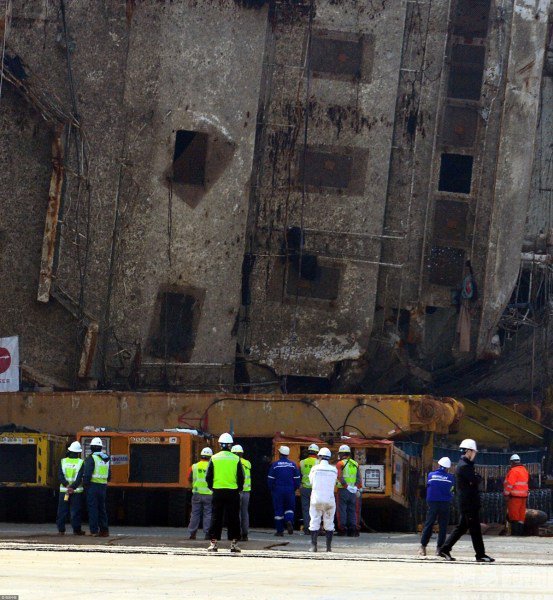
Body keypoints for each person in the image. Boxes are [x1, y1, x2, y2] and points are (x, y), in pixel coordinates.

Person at [438, 439, 495, 562]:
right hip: (468, 504)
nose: (475, 454)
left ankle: (445, 549)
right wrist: (476, 478)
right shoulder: (464, 466)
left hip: (469, 503)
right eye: (474, 451)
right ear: (469, 451)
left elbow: (474, 479)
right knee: (475, 529)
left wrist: (475, 478)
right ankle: (480, 554)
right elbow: (476, 480)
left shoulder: (466, 465)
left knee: (462, 528)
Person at [206, 433, 244, 553]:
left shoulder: (214, 458)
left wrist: (212, 487)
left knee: (216, 517)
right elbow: (241, 477)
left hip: (217, 491)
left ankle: (213, 544)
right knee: (233, 518)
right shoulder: (236, 459)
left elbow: (208, 476)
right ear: (230, 445)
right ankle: (234, 544)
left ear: (220, 445)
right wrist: (239, 488)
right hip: (232, 492)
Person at [418, 457, 454, 556]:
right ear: (448, 468)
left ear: (439, 465)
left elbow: (429, 487)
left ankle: (423, 547)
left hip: (432, 503)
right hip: (445, 503)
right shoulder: (451, 478)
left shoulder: (431, 475)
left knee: (429, 524)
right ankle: (439, 549)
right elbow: (452, 490)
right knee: (443, 527)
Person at [308, 447, 337, 553]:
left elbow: (311, 482)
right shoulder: (334, 470)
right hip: (329, 500)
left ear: (319, 457)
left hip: (316, 499)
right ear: (329, 458)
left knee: (314, 521)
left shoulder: (314, 469)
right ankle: (328, 548)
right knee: (329, 523)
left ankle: (313, 546)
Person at [267, 445, 301, 536]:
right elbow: (297, 479)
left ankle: (280, 531)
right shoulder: (293, 465)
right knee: (289, 508)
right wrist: (294, 488)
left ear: (279, 454)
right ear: (287, 454)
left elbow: (270, 479)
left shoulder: (275, 465)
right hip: (290, 490)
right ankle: (289, 520)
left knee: (279, 510)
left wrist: (271, 489)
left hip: (278, 490)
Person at [83, 436, 111, 537]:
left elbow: (87, 474)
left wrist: (85, 486)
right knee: (102, 509)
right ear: (100, 447)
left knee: (93, 509)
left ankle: (93, 530)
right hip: (103, 487)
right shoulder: (106, 458)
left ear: (92, 447)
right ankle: (104, 530)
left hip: (93, 486)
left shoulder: (91, 458)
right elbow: (109, 475)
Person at [56, 441, 85, 536]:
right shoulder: (81, 462)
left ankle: (61, 530)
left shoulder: (63, 461)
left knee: (62, 511)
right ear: (78, 453)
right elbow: (80, 478)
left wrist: (67, 485)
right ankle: (76, 530)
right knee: (75, 511)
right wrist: (73, 487)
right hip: (76, 491)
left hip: (64, 491)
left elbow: (60, 475)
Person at [187, 447, 213, 540]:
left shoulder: (194, 466)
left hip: (197, 493)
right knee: (208, 513)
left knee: (195, 513)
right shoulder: (212, 466)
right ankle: (207, 533)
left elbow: (189, 478)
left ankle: (192, 533)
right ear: (210, 457)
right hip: (209, 494)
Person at [335, 444, 362, 536]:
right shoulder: (355, 464)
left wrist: (346, 486)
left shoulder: (340, 464)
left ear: (341, 454)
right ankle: (353, 529)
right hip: (353, 491)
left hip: (343, 490)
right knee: (352, 510)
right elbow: (359, 478)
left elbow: (339, 476)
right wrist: (356, 488)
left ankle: (342, 529)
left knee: (341, 509)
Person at [503, 453, 529, 536]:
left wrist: (506, 494)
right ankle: (520, 533)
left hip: (514, 497)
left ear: (512, 462)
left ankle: (515, 534)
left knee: (514, 515)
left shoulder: (513, 471)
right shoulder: (524, 470)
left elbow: (510, 484)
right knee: (521, 516)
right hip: (524, 496)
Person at [231, 444, 251, 542]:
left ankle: (236, 534)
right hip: (246, 491)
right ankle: (245, 534)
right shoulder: (248, 463)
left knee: (236, 513)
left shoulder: (234, 462)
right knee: (245, 513)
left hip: (237, 491)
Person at [299, 443, 319, 535]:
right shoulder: (318, 462)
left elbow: (299, 475)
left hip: (305, 488)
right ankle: (315, 528)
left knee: (306, 509)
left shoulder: (302, 462)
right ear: (317, 453)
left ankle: (307, 528)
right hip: (315, 489)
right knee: (316, 509)